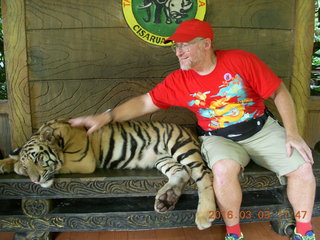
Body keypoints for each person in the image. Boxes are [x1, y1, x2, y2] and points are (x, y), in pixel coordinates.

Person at [69, 19, 316, 240]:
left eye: (185, 45)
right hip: (218, 137)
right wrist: (107, 117)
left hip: (260, 129)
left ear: (206, 44)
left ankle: (304, 230)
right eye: (175, 47)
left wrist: (292, 133)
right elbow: (145, 102)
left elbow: (279, 92)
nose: (178, 52)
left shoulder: (240, 60)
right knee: (222, 170)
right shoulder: (179, 80)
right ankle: (234, 233)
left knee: (303, 167)